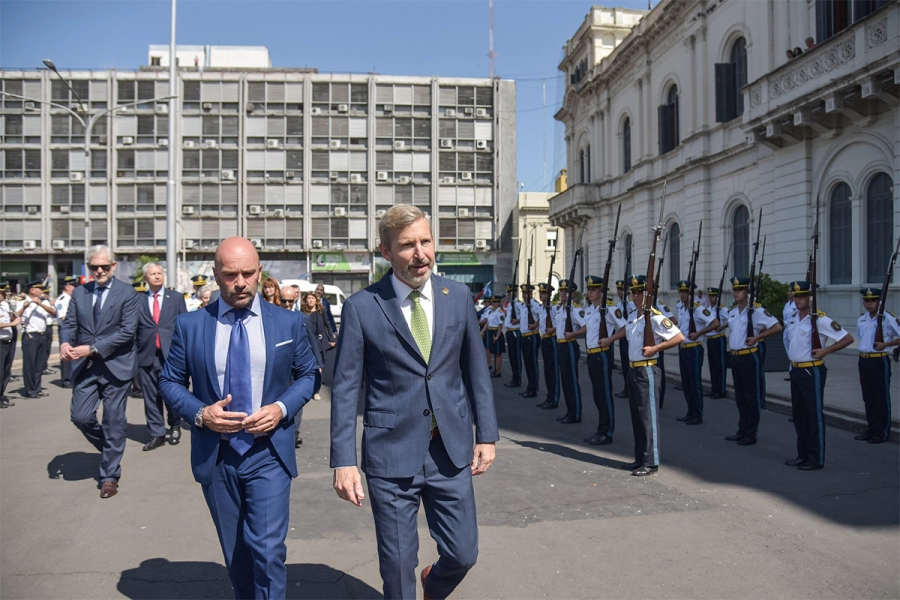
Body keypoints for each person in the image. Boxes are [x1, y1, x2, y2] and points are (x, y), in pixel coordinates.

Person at [330, 204, 498, 600]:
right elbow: (345, 387)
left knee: (463, 553)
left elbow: (476, 370)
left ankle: (434, 583)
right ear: (385, 251)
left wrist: (487, 434)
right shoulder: (362, 307)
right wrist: (343, 459)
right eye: (407, 245)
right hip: (390, 454)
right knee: (397, 568)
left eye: (425, 241)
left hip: (450, 449)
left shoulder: (457, 296)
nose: (420, 253)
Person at [159, 237, 319, 598]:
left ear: (260, 272)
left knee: (268, 550)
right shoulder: (191, 326)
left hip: (268, 454)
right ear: (216, 275)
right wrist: (201, 413)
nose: (241, 282)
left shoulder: (287, 324)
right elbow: (169, 381)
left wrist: (280, 409)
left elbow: (309, 375)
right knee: (237, 555)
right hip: (217, 458)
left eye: (248, 273)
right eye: (231, 275)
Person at [60, 246, 139, 499]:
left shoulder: (127, 293)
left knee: (114, 420)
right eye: (94, 267)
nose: (100, 271)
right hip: (86, 367)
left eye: (104, 266)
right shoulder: (80, 293)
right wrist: (64, 342)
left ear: (113, 266)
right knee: (80, 417)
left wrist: (92, 348)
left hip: (116, 366)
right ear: (88, 267)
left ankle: (109, 475)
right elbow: (69, 323)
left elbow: (127, 331)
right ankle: (110, 448)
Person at [605, 275, 685, 476]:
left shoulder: (656, 317)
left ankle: (651, 462)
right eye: (634, 292)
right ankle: (640, 458)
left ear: (648, 294)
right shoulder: (634, 315)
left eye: (640, 292)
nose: (636, 296)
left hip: (647, 370)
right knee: (637, 418)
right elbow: (625, 329)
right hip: (633, 370)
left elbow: (679, 336)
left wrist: (656, 348)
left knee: (648, 419)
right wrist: (610, 338)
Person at [783, 281, 853, 470]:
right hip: (796, 370)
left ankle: (815, 458)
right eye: (796, 296)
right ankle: (802, 454)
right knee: (799, 416)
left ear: (809, 298)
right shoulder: (792, 318)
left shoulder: (820, 320)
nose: (798, 299)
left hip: (811, 371)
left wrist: (825, 351)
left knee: (813, 416)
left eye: (802, 296)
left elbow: (847, 338)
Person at [722, 276, 783, 447]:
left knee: (752, 396)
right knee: (740, 397)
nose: (736, 293)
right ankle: (742, 430)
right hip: (735, 357)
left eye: (739, 290)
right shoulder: (733, 312)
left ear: (747, 292)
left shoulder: (756, 311)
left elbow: (777, 327)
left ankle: (751, 433)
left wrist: (757, 337)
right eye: (734, 290)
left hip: (749, 356)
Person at [136, 263, 188, 452]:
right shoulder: (138, 300)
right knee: (150, 398)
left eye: (159, 273)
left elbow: (186, 326)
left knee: (172, 393)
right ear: (146, 278)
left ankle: (174, 426)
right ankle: (156, 434)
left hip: (171, 355)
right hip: (147, 355)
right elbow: (134, 329)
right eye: (152, 274)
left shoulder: (175, 298)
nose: (157, 276)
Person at [572, 275, 625, 445]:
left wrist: (610, 339)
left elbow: (625, 327)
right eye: (588, 289)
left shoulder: (609, 307)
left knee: (604, 394)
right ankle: (601, 429)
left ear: (601, 291)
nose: (590, 292)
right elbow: (589, 327)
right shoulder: (589, 309)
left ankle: (606, 432)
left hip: (602, 354)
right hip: (591, 355)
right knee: (597, 394)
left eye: (593, 289)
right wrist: (574, 334)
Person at [854, 288, 900, 444]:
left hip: (879, 360)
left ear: (879, 301)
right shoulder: (862, 319)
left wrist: (886, 344)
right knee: (868, 397)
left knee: (880, 397)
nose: (869, 304)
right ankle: (871, 428)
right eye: (866, 301)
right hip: (864, 360)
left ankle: (881, 432)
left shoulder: (887, 318)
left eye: (872, 300)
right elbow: (861, 339)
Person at [674, 280, 720, 425]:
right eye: (681, 291)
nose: (683, 294)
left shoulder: (698, 309)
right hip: (683, 348)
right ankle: (690, 411)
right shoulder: (680, 307)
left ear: (691, 293)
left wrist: (700, 332)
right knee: (686, 383)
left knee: (694, 383)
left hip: (694, 348)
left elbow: (715, 323)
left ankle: (697, 413)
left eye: (686, 291)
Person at [551, 279, 585, 424]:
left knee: (571, 381)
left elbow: (585, 326)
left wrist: (573, 334)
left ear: (572, 293)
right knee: (565, 381)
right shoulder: (560, 309)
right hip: (561, 346)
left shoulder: (575, 309)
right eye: (562, 291)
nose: (563, 293)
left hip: (570, 345)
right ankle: (570, 411)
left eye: (566, 291)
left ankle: (575, 413)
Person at [17, 280, 56, 398]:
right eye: (40, 289)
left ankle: (37, 388)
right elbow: (16, 315)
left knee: (39, 365)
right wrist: (26, 306)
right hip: (30, 336)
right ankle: (30, 390)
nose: (42, 291)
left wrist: (41, 304)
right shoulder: (23, 302)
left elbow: (54, 313)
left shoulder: (43, 302)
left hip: (42, 335)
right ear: (32, 290)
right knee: (30, 365)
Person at [301, 291, 334, 401]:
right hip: (309, 343)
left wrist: (331, 338)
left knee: (321, 367)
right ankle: (311, 389)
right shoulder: (303, 314)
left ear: (316, 300)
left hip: (321, 342)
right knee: (312, 366)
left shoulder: (321, 311)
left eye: (312, 298)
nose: (310, 300)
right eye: (308, 298)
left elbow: (327, 324)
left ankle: (316, 390)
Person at [535, 282, 560, 409]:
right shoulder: (542, 308)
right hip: (544, 339)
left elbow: (560, 323)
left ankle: (554, 398)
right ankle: (549, 396)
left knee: (553, 369)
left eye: (544, 293)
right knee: (547, 370)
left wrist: (553, 329)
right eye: (540, 293)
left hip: (552, 339)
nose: (541, 295)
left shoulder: (554, 308)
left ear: (549, 294)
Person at [518, 283, 543, 399]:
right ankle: (529, 386)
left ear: (531, 293)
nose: (525, 295)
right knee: (527, 363)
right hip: (524, 336)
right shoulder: (523, 305)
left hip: (532, 336)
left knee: (532, 363)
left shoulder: (535, 305)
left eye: (527, 293)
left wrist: (535, 325)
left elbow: (542, 316)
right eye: (523, 293)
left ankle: (533, 388)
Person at [55, 276, 79, 388]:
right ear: (67, 287)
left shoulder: (71, 299)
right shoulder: (62, 300)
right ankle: (66, 379)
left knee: (74, 354)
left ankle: (72, 377)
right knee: (67, 355)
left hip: (74, 329)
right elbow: (64, 318)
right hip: (66, 330)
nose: (76, 288)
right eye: (74, 286)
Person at [0, 284, 21, 408]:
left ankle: (1, 395)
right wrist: (12, 323)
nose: (4, 295)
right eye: (2, 293)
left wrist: (14, 317)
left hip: (7, 341)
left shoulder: (3, 306)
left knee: (6, 372)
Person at [705, 287, 728, 399]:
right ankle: (714, 388)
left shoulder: (722, 309)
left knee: (720, 365)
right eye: (710, 296)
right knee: (712, 365)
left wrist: (721, 327)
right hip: (710, 339)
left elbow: (730, 320)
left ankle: (721, 389)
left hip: (719, 338)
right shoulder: (708, 309)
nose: (711, 298)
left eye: (713, 296)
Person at [614, 280, 635, 399]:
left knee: (630, 364)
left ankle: (631, 388)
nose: (619, 292)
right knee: (624, 364)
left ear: (627, 291)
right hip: (622, 337)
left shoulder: (630, 304)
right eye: (618, 289)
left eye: (621, 289)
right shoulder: (619, 305)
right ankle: (627, 388)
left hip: (630, 338)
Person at [503, 283, 523, 388]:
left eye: (510, 291)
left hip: (515, 331)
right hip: (510, 331)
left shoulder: (518, 303)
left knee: (516, 356)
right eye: (508, 291)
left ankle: (517, 379)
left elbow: (525, 315)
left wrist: (517, 320)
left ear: (515, 292)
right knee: (511, 356)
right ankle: (514, 378)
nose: (509, 293)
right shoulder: (510, 304)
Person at [482, 295, 505, 377]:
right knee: (494, 352)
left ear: (499, 303)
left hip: (496, 332)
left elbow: (500, 325)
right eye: (492, 302)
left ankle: (498, 371)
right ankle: (495, 370)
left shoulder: (499, 312)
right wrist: (482, 331)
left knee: (498, 353)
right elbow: (487, 322)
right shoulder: (491, 311)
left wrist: (497, 336)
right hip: (491, 331)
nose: (493, 303)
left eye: (495, 302)